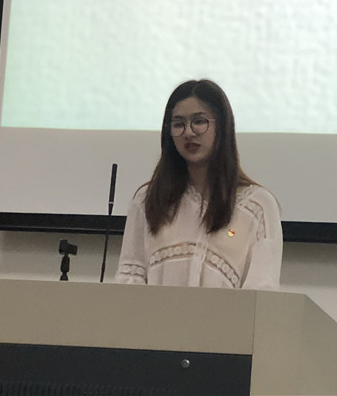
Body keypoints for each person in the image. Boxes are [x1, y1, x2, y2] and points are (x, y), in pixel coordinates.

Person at [116, 79, 282, 289]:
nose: (188, 132)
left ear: (221, 126)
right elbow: (129, 278)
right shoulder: (148, 200)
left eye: (199, 122)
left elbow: (263, 289)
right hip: (156, 312)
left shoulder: (257, 205)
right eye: (178, 124)